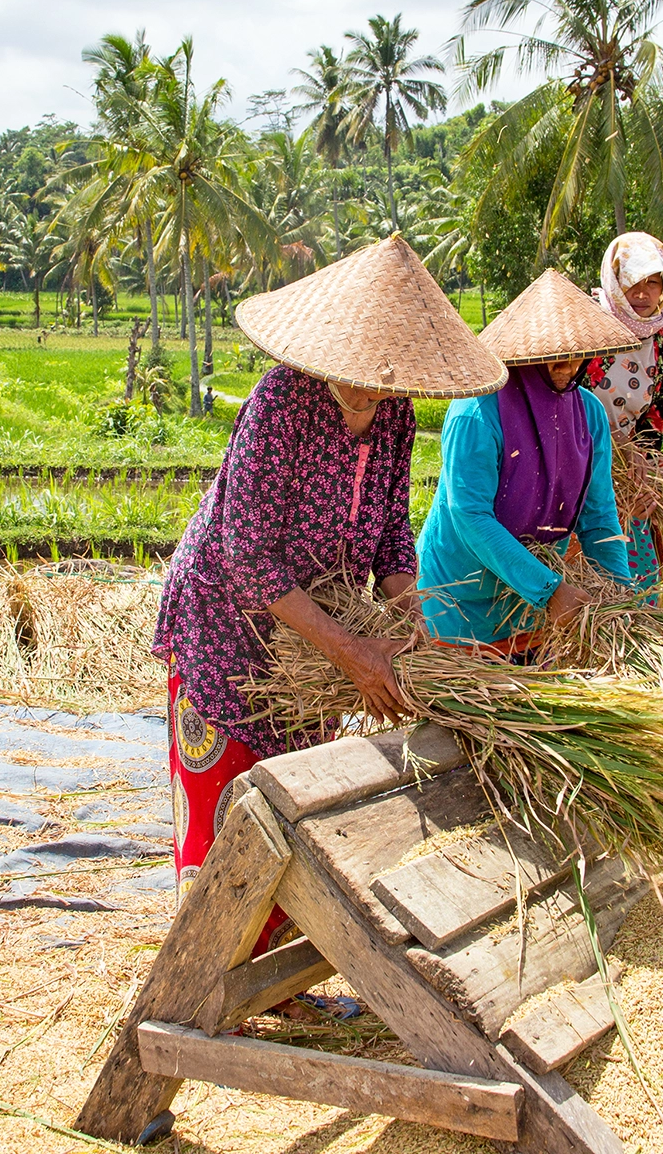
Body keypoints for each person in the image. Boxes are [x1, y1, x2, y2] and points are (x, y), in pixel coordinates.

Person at [153, 235, 507, 901]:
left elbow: (390, 538)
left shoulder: (396, 412)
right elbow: (251, 562)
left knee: (297, 802)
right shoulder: (280, 403)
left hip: (314, 637)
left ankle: (282, 979)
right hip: (226, 624)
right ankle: (208, 979)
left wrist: (417, 628)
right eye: (372, 361)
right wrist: (356, 655)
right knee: (227, 802)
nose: (382, 378)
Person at [419, 270, 638, 654]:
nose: (567, 366)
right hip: (458, 600)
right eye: (553, 355)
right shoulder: (477, 412)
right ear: (525, 351)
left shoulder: (589, 415)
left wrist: (622, 599)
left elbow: (599, 517)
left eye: (576, 353)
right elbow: (469, 515)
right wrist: (550, 591)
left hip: (529, 604)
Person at [583, 231, 663, 587]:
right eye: (633, 283)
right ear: (614, 283)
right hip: (574, 454)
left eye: (653, 283)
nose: (644, 294)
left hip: (627, 464)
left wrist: (644, 469)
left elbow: (652, 425)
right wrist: (609, 443)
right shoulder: (582, 332)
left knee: (636, 560)